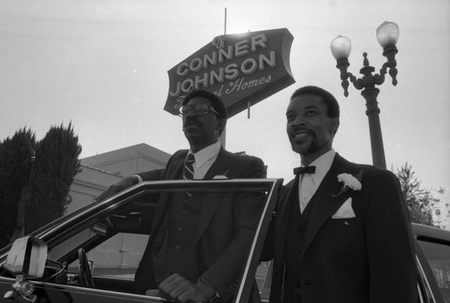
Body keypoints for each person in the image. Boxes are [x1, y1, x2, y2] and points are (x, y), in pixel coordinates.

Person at [97, 89, 266, 303]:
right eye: (186, 111)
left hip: (212, 296)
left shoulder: (246, 167)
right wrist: (132, 180)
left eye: (201, 110)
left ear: (220, 124)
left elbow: (249, 235)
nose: (191, 115)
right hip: (158, 291)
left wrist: (206, 288)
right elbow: (159, 176)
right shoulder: (177, 161)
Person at [263, 85, 417, 303]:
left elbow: (396, 278)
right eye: (291, 116)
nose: (297, 122)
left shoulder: (377, 183)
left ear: (334, 124)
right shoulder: (281, 194)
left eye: (310, 113)